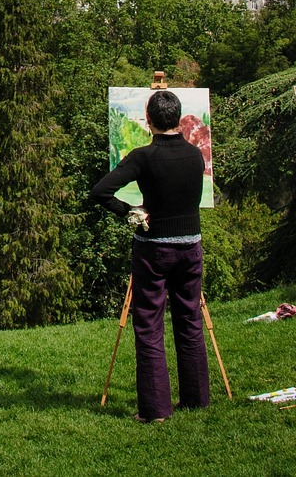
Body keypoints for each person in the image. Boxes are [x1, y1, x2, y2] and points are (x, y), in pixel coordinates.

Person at [91, 89, 210, 423]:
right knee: (190, 321)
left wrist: (130, 212)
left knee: (149, 326)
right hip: (191, 247)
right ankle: (197, 399)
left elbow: (100, 191)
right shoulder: (195, 154)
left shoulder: (144, 156)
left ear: (149, 119)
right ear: (178, 117)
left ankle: (156, 410)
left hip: (155, 246)